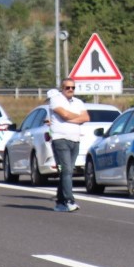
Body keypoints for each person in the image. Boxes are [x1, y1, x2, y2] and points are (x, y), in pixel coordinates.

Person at [48, 78, 89, 212]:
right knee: (67, 170)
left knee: (67, 171)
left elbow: (86, 118)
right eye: (67, 88)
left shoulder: (78, 102)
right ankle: (69, 200)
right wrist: (77, 117)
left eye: (73, 88)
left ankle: (60, 203)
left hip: (75, 140)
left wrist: (72, 118)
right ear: (62, 88)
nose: (70, 90)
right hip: (60, 139)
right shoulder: (56, 99)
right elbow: (64, 114)